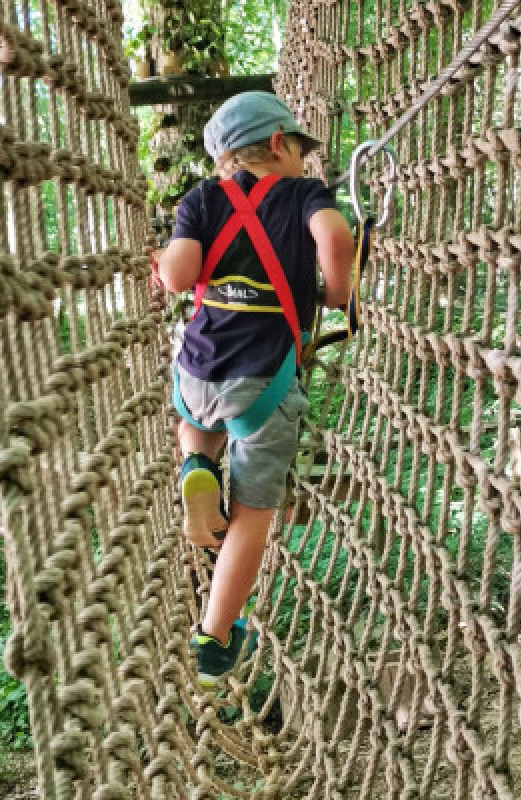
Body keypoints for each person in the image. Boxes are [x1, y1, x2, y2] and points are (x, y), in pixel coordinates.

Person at [151, 92, 356, 686]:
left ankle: (196, 460)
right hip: (264, 380)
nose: (302, 160)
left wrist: (162, 268)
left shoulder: (201, 199)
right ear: (276, 144)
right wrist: (339, 293)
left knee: (197, 413)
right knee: (252, 513)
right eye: (298, 149)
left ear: (223, 163)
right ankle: (215, 632)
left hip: (200, 368)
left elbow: (180, 275)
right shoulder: (304, 194)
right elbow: (335, 240)